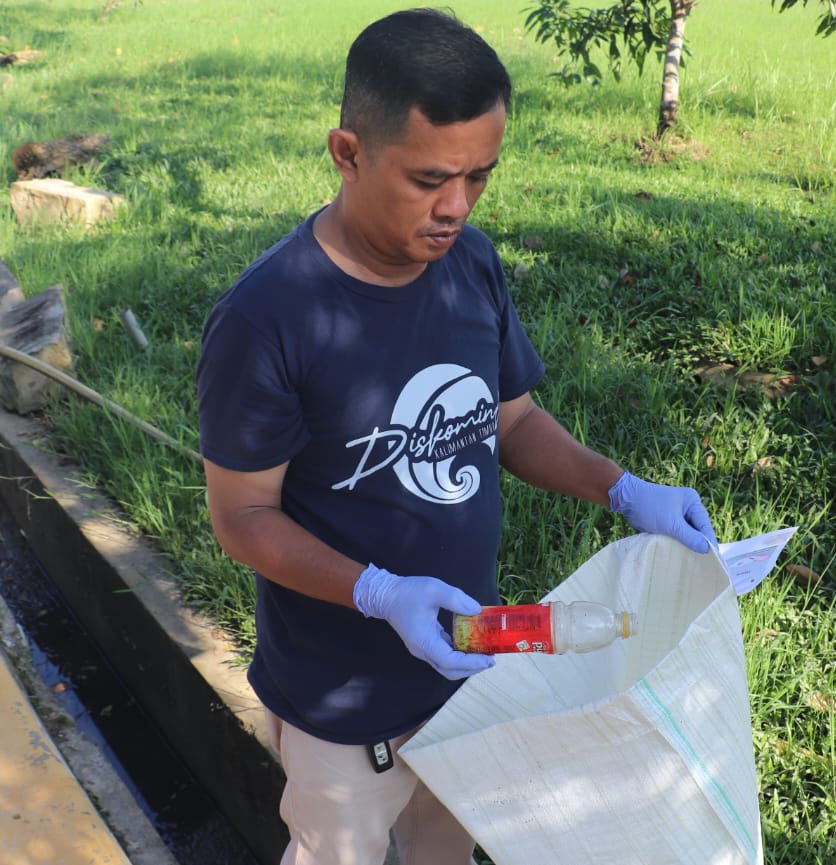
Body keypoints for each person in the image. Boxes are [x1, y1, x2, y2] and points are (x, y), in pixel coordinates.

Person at [195, 8, 717, 865]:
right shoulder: (270, 318)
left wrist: (623, 489)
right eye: (431, 177)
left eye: (480, 176)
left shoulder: (468, 264)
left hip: (469, 674)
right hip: (340, 704)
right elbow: (242, 516)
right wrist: (378, 592)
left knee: (450, 852)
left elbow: (510, 420)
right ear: (348, 151)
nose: (456, 206)